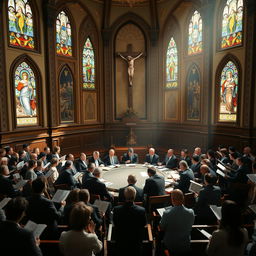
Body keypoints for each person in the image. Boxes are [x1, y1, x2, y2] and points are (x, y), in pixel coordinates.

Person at [113, 186, 147, 256]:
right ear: (135, 196)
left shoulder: (116, 210)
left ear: (124, 196)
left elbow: (115, 223)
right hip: (136, 243)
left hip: (121, 242)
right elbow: (144, 224)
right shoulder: (141, 210)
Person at [160, 189, 195, 255]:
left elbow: (161, 227)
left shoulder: (167, 213)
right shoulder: (191, 212)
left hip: (170, 245)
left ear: (172, 199)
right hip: (185, 245)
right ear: (183, 198)